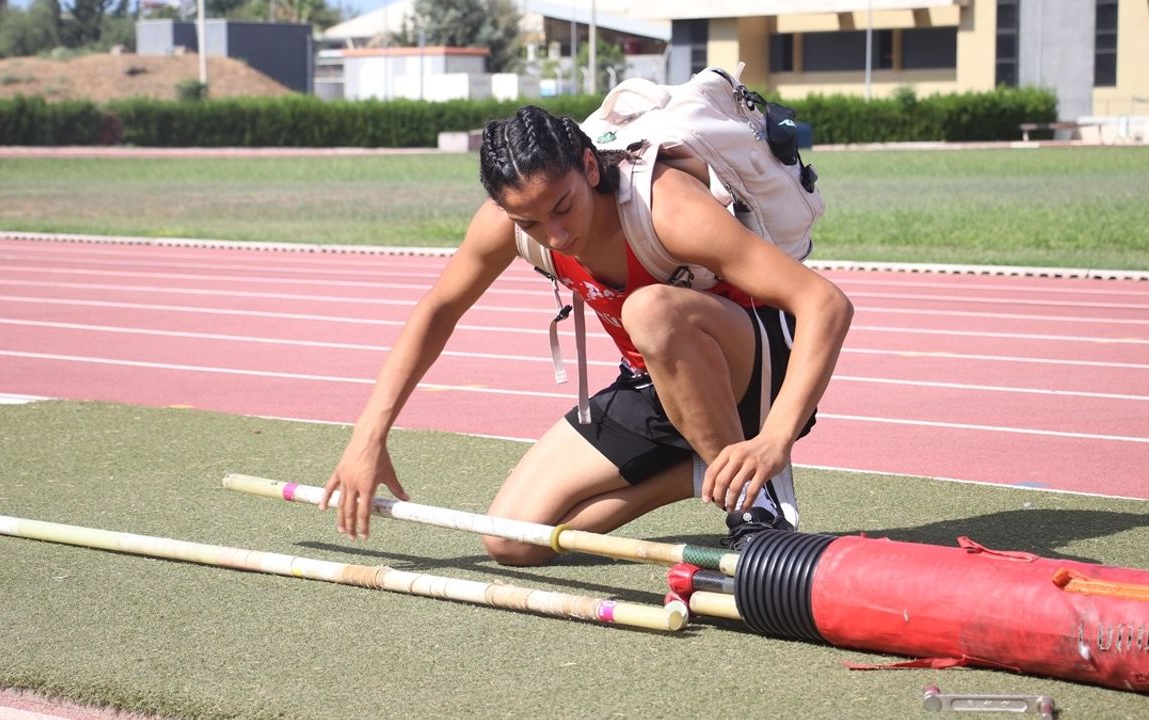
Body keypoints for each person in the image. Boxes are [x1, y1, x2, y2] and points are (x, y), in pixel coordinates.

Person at [321, 105, 853, 566]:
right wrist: (369, 435)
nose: (556, 236)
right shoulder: (509, 223)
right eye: (529, 224)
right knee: (512, 540)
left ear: (590, 167)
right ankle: (702, 470)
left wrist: (774, 439)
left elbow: (825, 303)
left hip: (757, 372)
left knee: (649, 310)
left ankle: (753, 510)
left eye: (563, 207)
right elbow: (438, 309)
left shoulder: (667, 208)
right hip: (654, 382)